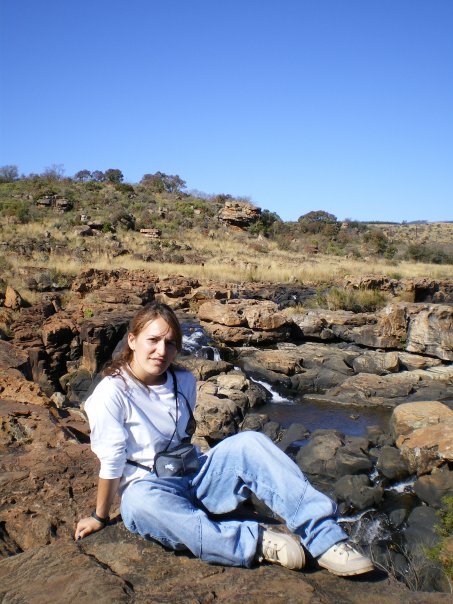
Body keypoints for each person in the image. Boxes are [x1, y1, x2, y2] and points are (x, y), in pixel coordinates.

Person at [75, 302, 374, 576]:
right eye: (152, 340)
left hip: (193, 475)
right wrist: (100, 516)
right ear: (132, 340)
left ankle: (325, 538)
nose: (161, 351)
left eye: (170, 343)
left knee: (250, 443)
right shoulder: (111, 393)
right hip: (151, 489)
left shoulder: (184, 381)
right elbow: (112, 461)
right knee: (137, 504)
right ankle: (255, 542)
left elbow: (182, 438)